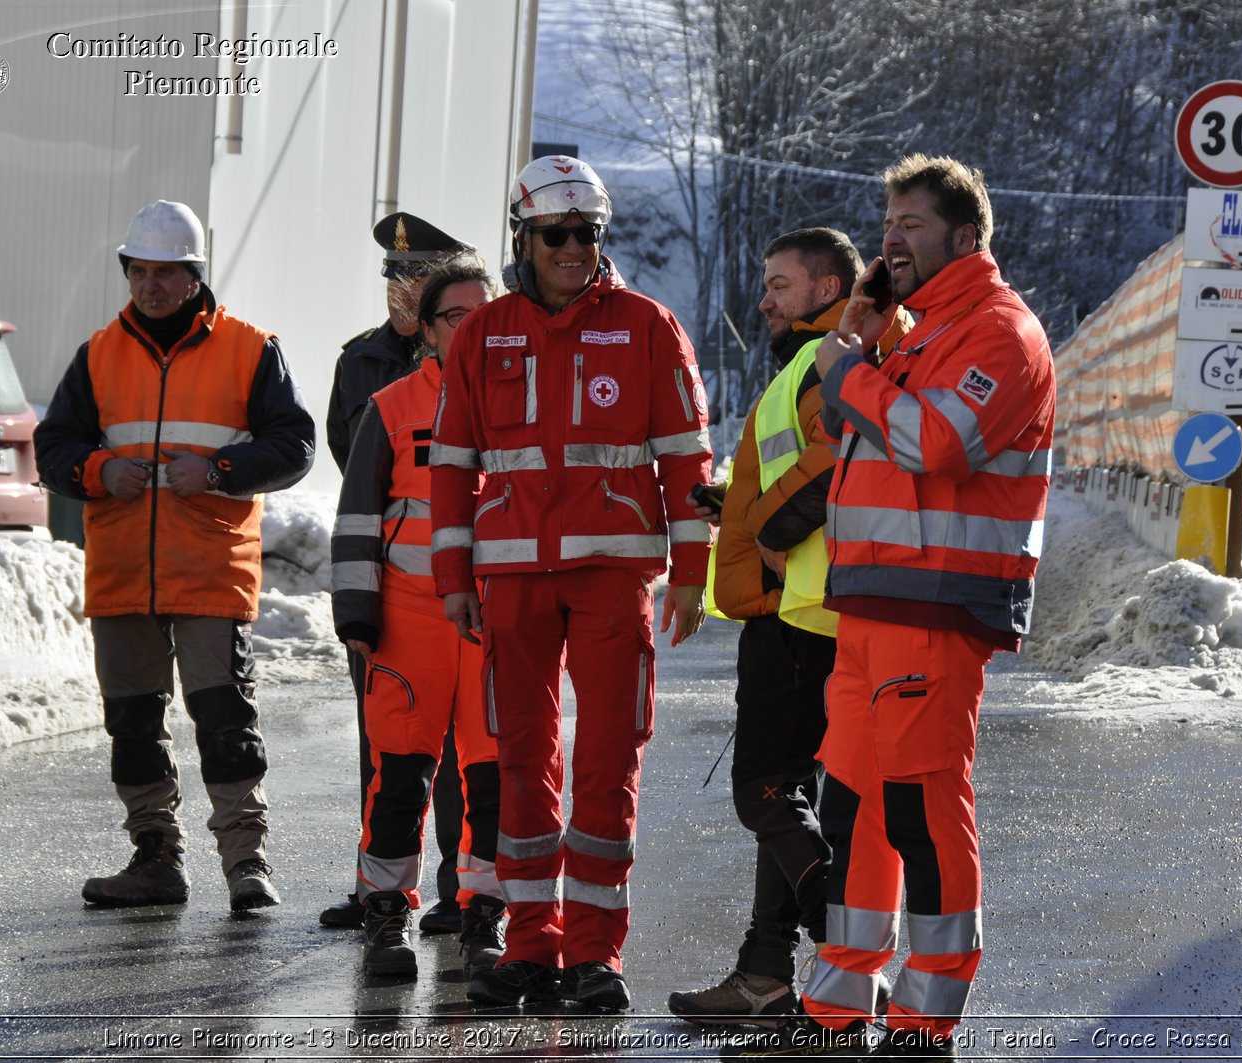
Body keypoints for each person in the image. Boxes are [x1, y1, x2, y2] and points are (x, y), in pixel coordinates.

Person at [756, 155, 1055, 1058]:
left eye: (912, 227)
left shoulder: (1002, 333)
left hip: (938, 609)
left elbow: (937, 440)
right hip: (874, 607)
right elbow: (844, 420)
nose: (892, 239)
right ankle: (839, 1008)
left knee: (923, 809)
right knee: (854, 809)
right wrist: (861, 331)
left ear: (966, 237)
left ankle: (927, 1022)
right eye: (887, 226)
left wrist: (853, 370)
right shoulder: (913, 333)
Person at [430, 155, 713, 1011]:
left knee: (606, 761)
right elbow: (451, 466)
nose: (573, 247)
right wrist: (453, 576)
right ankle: (532, 942)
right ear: (523, 235)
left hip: (611, 576)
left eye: (587, 232)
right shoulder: (484, 333)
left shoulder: (647, 326)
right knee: (521, 760)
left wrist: (691, 574)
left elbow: (687, 462)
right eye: (556, 233)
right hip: (511, 577)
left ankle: (595, 953)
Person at [34, 200, 315, 912]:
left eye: (166, 273)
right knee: (133, 723)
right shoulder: (97, 354)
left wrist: (220, 470)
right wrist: (97, 472)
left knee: (225, 720)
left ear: (195, 276)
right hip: (123, 572)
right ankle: (155, 855)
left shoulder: (251, 348)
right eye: (139, 271)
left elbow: (294, 445)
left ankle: (246, 863)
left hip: (211, 574)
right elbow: (54, 448)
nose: (150, 285)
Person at [668, 228, 905, 1028]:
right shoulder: (813, 361)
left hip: (804, 609)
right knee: (791, 791)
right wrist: (734, 500)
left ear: (827, 283)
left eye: (779, 283)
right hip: (800, 604)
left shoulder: (831, 358)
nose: (763, 298)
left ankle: (839, 931)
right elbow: (800, 460)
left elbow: (831, 457)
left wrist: (762, 523)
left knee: (764, 790)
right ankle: (765, 973)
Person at [331, 256, 504, 977]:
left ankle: (482, 918)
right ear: (427, 331)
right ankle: (384, 916)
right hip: (408, 621)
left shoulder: (524, 403)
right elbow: (358, 520)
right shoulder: (394, 406)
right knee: (399, 776)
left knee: (495, 782)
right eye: (456, 317)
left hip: (496, 623)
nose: (472, 329)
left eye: (483, 315)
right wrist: (358, 620)